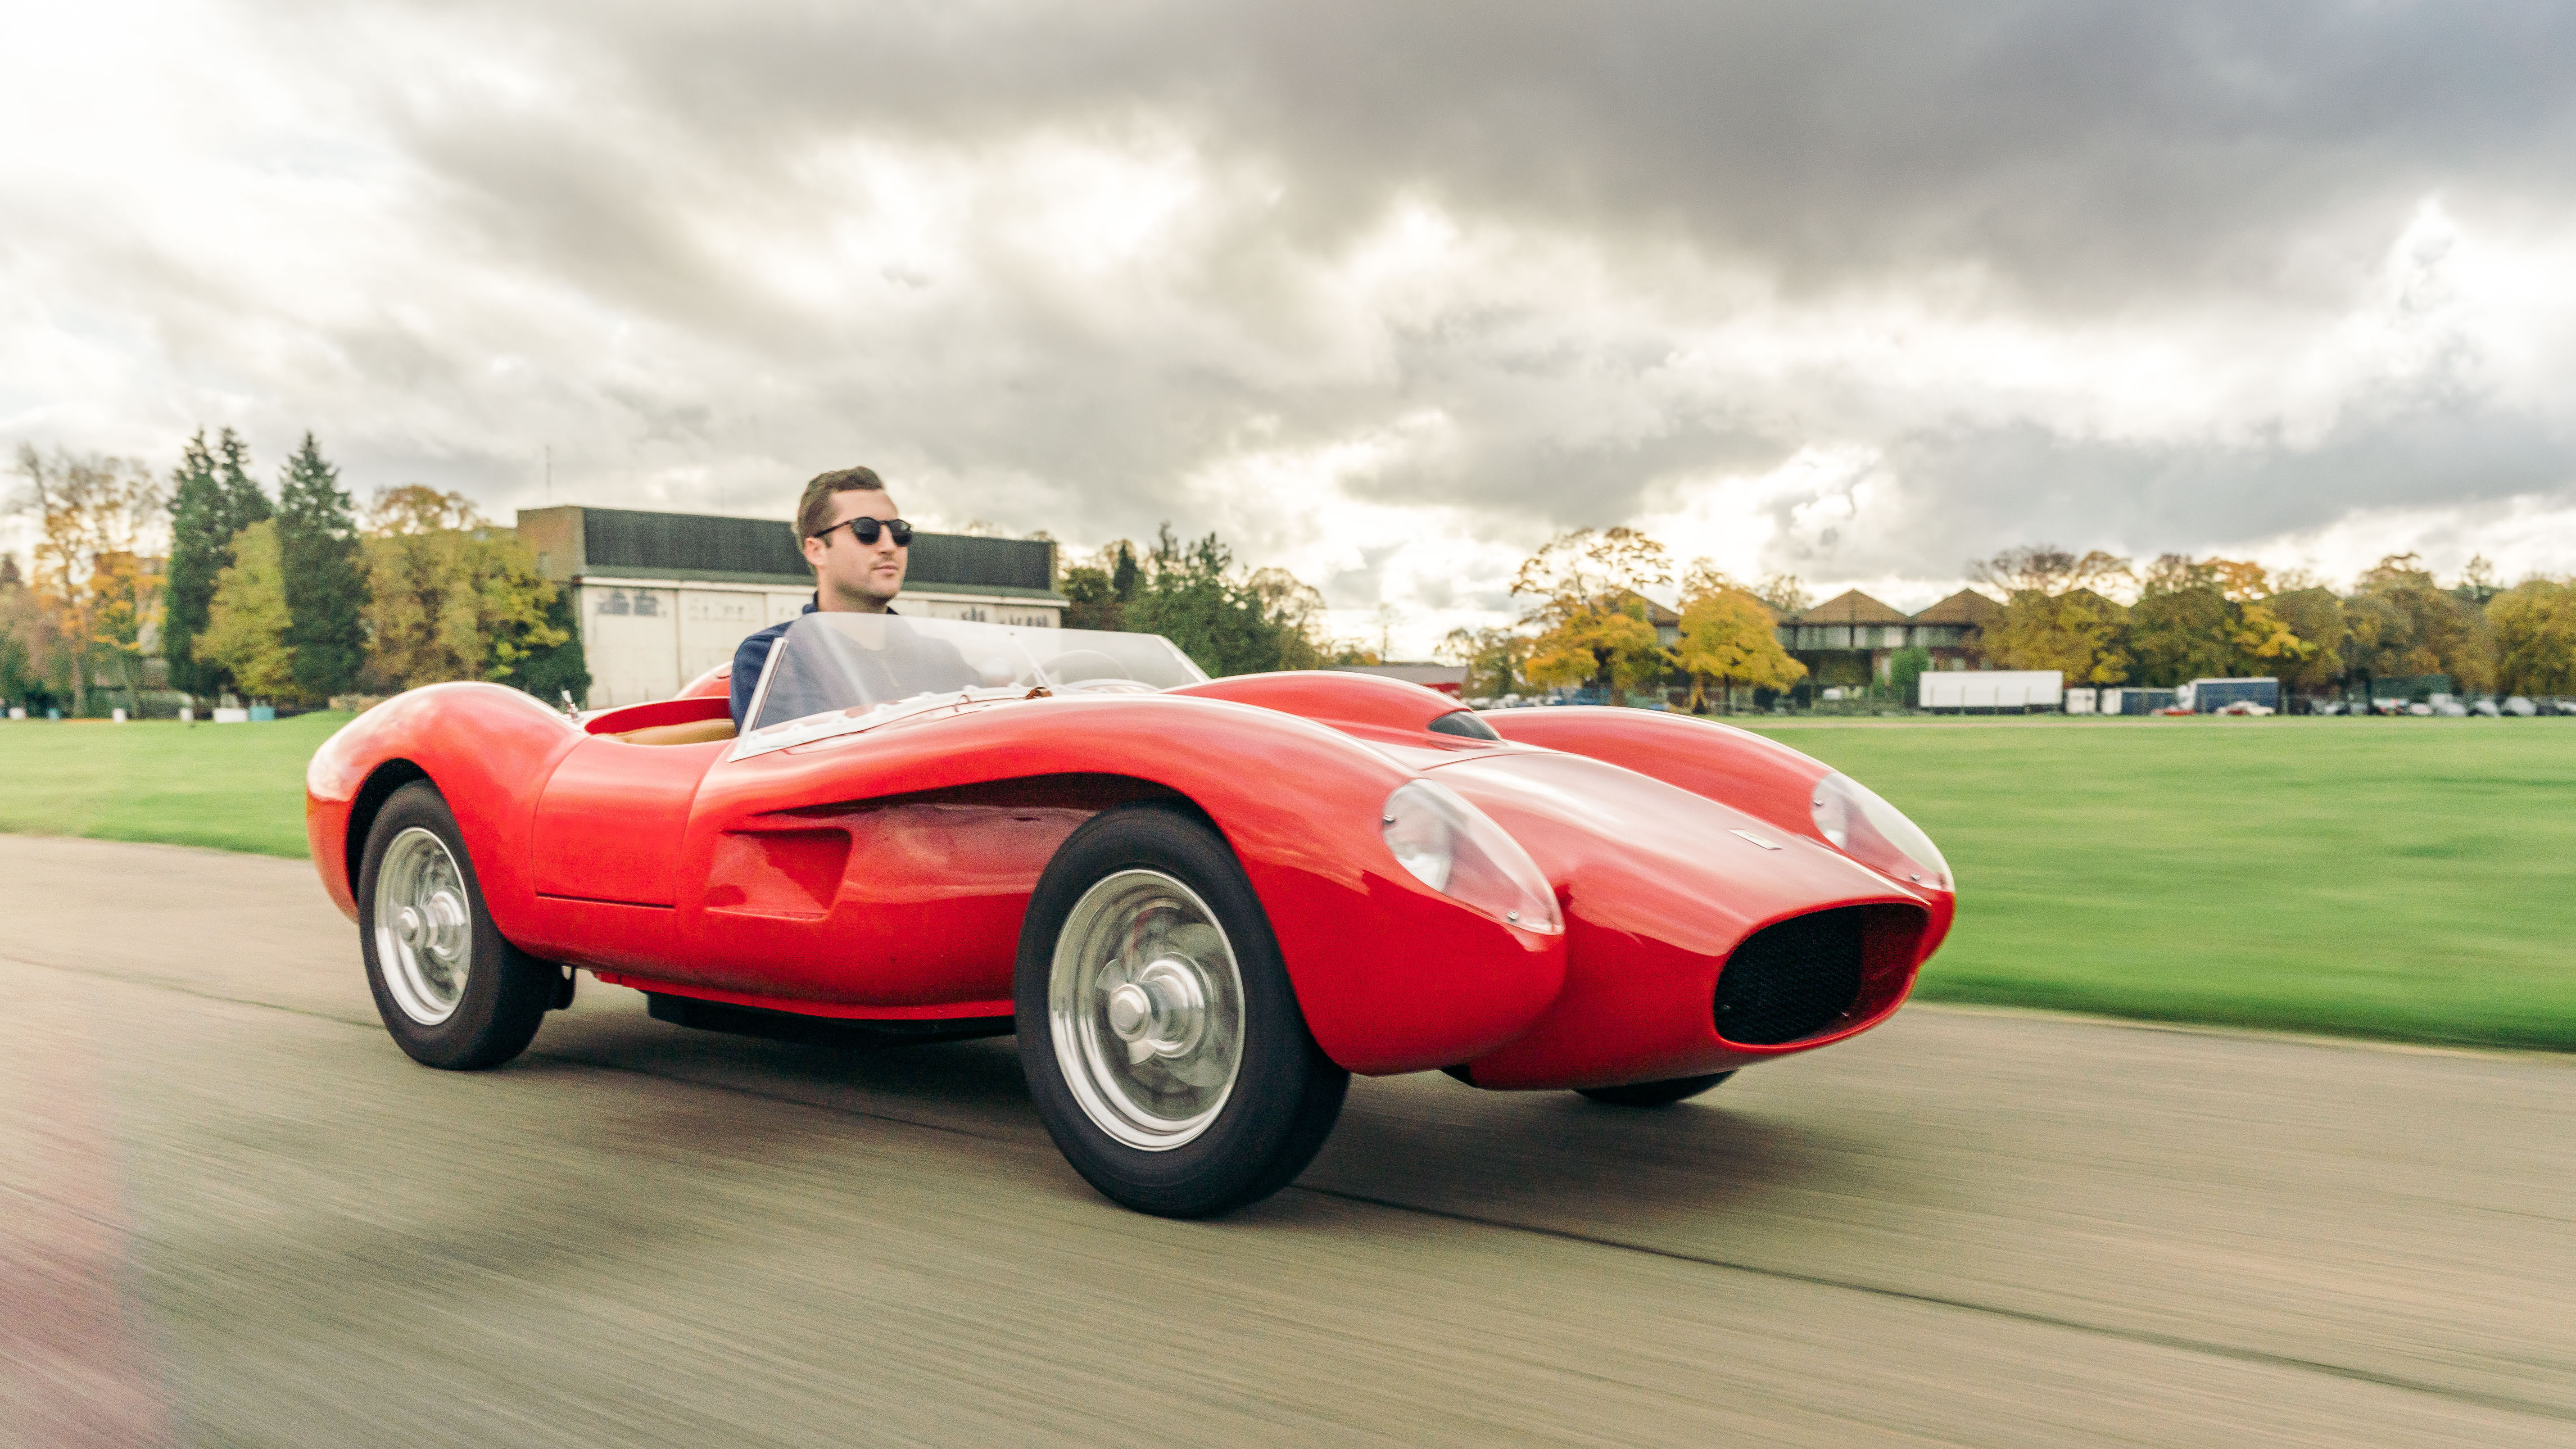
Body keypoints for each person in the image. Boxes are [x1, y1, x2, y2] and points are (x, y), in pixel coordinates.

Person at [729, 466, 912, 727]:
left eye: (899, 531)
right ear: (816, 551)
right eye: (866, 530)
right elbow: (811, 759)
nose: (890, 546)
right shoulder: (774, 657)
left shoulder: (942, 656)